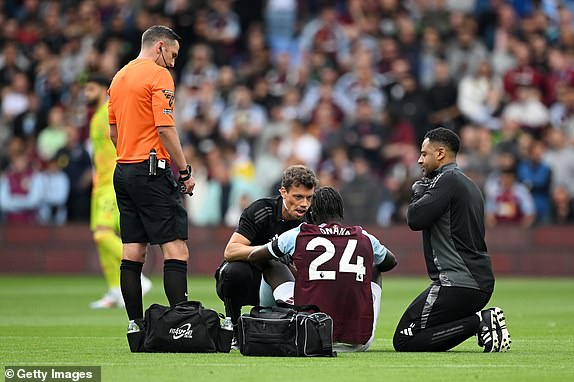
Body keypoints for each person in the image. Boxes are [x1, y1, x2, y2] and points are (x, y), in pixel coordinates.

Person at [107, 25, 196, 350]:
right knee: (175, 249)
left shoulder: (119, 77)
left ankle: (135, 327)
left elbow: (113, 133)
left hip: (124, 170)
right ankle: (182, 328)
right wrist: (184, 170)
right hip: (151, 171)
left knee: (133, 251)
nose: (172, 63)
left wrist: (130, 155)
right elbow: (166, 128)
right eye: (171, 54)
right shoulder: (158, 76)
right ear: (160, 47)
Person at [394, 127, 511, 352]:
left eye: (424, 154)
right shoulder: (467, 183)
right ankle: (480, 321)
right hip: (475, 282)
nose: (419, 160)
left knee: (404, 339)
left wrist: (418, 193)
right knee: (421, 333)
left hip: (457, 282)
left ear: (440, 154)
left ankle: (479, 322)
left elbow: (415, 219)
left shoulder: (446, 180)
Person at [248, 186, 397, 352]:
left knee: (272, 264)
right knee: (375, 267)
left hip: (309, 335)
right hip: (359, 342)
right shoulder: (364, 237)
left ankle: (265, 320)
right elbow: (391, 261)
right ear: (341, 212)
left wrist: (287, 262)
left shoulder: (299, 234)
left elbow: (255, 256)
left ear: (312, 213)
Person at [214, 164, 318, 347]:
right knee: (233, 271)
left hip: (286, 280)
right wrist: (270, 250)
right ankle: (234, 325)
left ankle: (296, 324)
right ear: (283, 192)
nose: (304, 204)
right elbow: (230, 251)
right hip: (251, 280)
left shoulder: (313, 219)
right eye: (298, 197)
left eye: (309, 198)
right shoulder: (262, 210)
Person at [84, 74, 152, 309]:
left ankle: (139, 278)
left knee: (103, 235)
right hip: (100, 186)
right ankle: (115, 290)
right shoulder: (95, 117)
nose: (86, 93)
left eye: (91, 88)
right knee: (101, 240)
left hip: (112, 182)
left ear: (104, 89)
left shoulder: (107, 111)